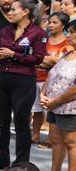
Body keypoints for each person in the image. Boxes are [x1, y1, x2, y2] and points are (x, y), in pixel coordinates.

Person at [0, 0, 46, 167]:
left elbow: (38, 59)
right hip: (2, 77)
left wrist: (13, 54)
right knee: (1, 122)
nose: (10, 12)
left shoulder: (38, 33)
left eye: (14, 9)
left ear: (25, 12)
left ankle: (21, 162)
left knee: (21, 123)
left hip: (23, 80)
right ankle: (1, 159)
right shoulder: (5, 30)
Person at [40, 34, 76, 171]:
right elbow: (52, 74)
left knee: (71, 143)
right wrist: (43, 93)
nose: (70, 35)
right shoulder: (68, 53)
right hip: (54, 105)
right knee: (55, 140)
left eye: (74, 31)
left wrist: (56, 101)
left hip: (69, 107)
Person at [33, 12, 70, 152]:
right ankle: (35, 135)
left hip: (53, 82)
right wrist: (45, 61)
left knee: (50, 110)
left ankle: (50, 138)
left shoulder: (67, 42)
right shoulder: (44, 39)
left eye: (55, 22)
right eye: (49, 22)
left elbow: (59, 61)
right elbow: (34, 56)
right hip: (35, 78)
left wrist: (41, 61)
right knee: (36, 109)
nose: (51, 25)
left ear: (63, 25)